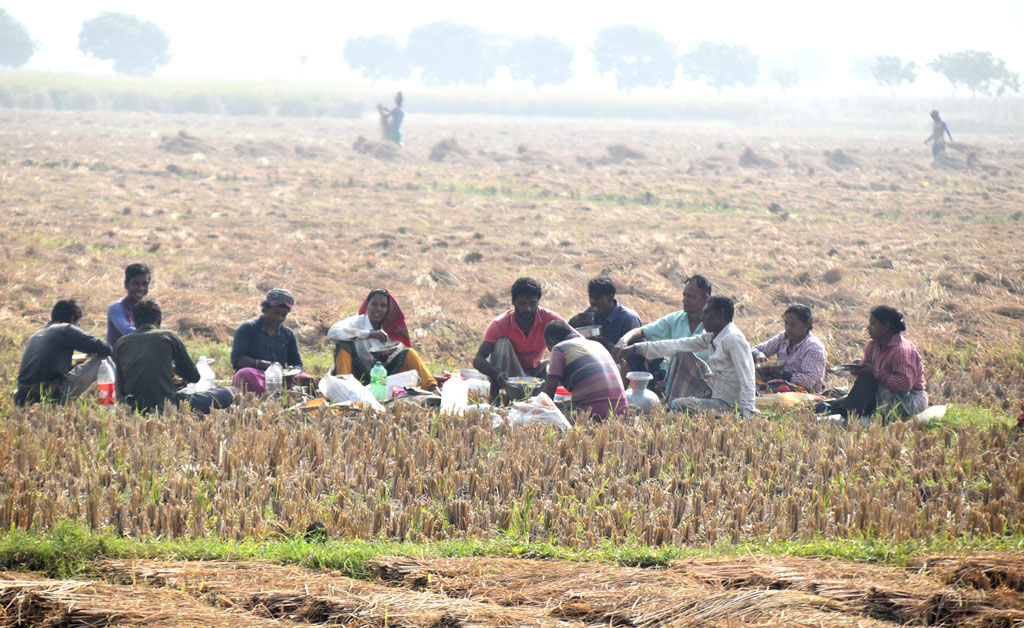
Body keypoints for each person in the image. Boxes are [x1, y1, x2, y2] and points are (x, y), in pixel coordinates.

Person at [615, 296, 756, 418]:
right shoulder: (712, 336)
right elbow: (676, 344)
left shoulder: (734, 339)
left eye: (706, 313)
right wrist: (636, 349)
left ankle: (674, 405)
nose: (702, 318)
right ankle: (668, 399)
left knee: (679, 405)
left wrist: (747, 413)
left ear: (720, 314)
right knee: (681, 351)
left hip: (728, 403)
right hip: (715, 388)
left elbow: (747, 378)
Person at [114, 300, 235, 414]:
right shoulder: (168, 337)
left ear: (134, 322)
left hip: (134, 408)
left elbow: (121, 388)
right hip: (168, 405)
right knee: (226, 393)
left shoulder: (121, 342)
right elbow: (194, 376)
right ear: (159, 320)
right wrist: (176, 377)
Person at [614, 275, 712, 405]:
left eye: (691, 297)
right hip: (671, 377)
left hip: (702, 381)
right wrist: (624, 340)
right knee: (635, 349)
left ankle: (667, 395)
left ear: (706, 299)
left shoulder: (713, 324)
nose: (685, 300)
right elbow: (643, 331)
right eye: (684, 295)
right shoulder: (676, 319)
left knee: (682, 354)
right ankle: (617, 398)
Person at [472, 277, 565, 402]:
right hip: (510, 379)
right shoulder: (500, 324)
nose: (528, 309)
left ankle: (546, 400)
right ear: (513, 302)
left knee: (555, 362)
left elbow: (573, 339)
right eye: (522, 304)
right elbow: (478, 360)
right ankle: (495, 399)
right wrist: (496, 374)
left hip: (536, 377)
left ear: (538, 302)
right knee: (502, 343)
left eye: (532, 304)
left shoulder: (549, 318)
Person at [327, 288, 439, 393]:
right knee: (343, 344)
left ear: (388, 310)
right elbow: (333, 332)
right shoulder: (357, 322)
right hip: (356, 375)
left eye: (383, 306)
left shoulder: (392, 329)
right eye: (374, 304)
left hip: (381, 378)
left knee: (409, 353)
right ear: (367, 305)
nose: (378, 309)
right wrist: (369, 334)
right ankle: (344, 390)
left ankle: (433, 389)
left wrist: (385, 359)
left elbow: (395, 353)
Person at [834, 306, 928, 422]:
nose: (869, 327)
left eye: (873, 324)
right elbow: (867, 382)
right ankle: (851, 414)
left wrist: (874, 371)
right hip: (885, 394)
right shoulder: (872, 345)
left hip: (909, 398)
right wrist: (859, 369)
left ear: (886, 326)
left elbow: (904, 385)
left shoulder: (903, 351)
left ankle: (851, 416)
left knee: (867, 382)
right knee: (865, 382)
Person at [14, 299, 112, 406]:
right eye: (78, 324)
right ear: (72, 319)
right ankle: (108, 403)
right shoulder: (66, 329)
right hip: (49, 394)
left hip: (23, 396)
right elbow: (106, 349)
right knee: (104, 360)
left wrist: (74, 366)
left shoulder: (38, 333)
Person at [540, 321, 628, 420]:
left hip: (593, 414)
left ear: (551, 342)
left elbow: (547, 397)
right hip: (621, 412)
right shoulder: (597, 345)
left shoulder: (559, 348)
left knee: (551, 411)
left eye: (549, 349)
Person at [231, 289, 310, 394]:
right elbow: (237, 360)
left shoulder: (288, 335)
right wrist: (267, 365)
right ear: (266, 309)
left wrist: (293, 368)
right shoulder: (248, 328)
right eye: (276, 313)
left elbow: (297, 363)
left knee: (310, 380)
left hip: (280, 379)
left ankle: (284, 394)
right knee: (245, 374)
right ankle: (268, 395)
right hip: (257, 376)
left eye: (284, 315)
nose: (279, 318)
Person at [568, 277, 645, 374]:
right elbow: (566, 338)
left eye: (598, 298)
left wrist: (606, 345)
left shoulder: (628, 318)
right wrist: (573, 322)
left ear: (610, 297)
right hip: (595, 365)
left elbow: (635, 358)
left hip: (623, 370)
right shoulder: (589, 314)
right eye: (591, 297)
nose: (593, 301)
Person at [752, 304, 828, 393]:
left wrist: (781, 373)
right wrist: (758, 354)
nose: (788, 328)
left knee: (773, 386)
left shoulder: (813, 348)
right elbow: (753, 349)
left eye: (793, 324)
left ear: (806, 325)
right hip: (781, 383)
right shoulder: (783, 338)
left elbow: (809, 381)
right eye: (786, 323)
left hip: (804, 391)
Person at [107, 263, 150, 346]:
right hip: (119, 358)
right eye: (136, 283)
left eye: (145, 284)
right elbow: (128, 332)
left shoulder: (149, 309)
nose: (141, 288)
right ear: (126, 285)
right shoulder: (117, 308)